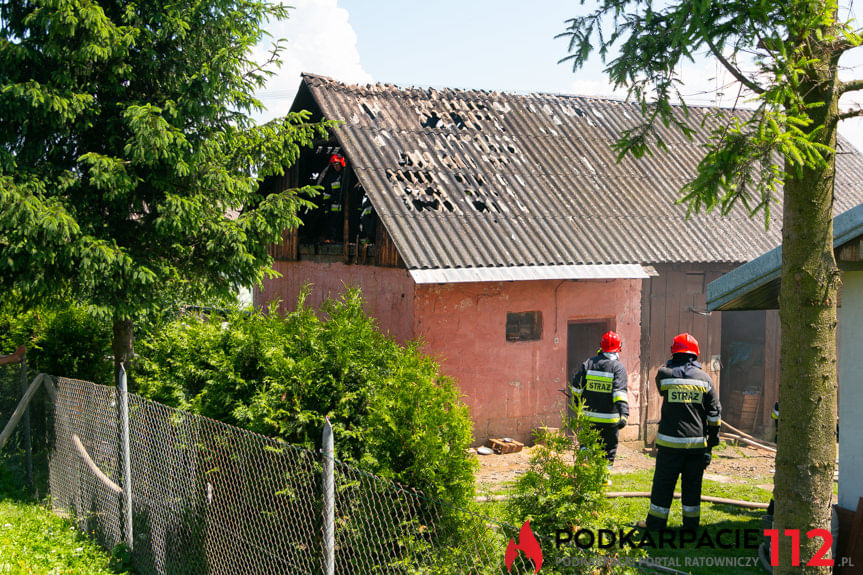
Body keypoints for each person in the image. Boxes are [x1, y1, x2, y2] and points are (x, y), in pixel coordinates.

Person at [644, 333, 721, 531]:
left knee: (663, 485)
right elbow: (714, 414)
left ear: (674, 352)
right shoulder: (705, 379)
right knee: (692, 487)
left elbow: (662, 391)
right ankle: (691, 527)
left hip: (669, 445)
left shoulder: (664, 374)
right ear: (695, 355)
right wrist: (712, 442)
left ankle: (656, 525)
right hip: (695, 446)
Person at [570, 331, 629, 466]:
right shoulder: (618, 367)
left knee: (587, 444)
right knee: (608, 450)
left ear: (601, 347)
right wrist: (624, 414)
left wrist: (579, 406)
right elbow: (619, 393)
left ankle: (584, 466)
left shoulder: (588, 363)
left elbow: (576, 389)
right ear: (619, 348)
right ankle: (603, 478)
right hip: (609, 420)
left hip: (588, 417)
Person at [317, 153, 345, 241]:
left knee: (341, 223)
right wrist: (325, 204)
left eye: (337, 164)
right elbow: (327, 191)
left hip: (344, 205)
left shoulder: (346, 175)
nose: (335, 167)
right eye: (334, 165)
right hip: (333, 205)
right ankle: (333, 238)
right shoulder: (331, 177)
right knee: (333, 222)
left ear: (341, 163)